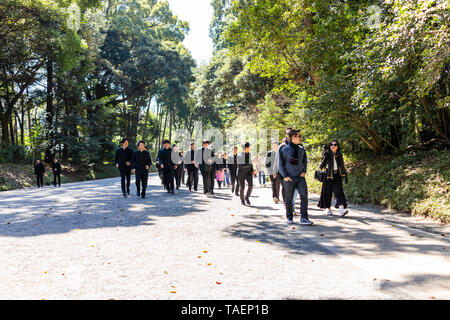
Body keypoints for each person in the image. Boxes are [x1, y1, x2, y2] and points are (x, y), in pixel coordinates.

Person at [278, 129, 313, 225]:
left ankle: (304, 218)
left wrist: (304, 171)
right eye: (299, 136)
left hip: (300, 177)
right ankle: (289, 218)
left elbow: (305, 161)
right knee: (288, 199)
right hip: (289, 178)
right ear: (293, 137)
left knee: (304, 196)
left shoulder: (301, 149)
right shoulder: (284, 149)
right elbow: (280, 164)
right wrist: (285, 176)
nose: (300, 138)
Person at [317, 140, 349, 216]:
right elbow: (322, 165)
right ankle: (328, 208)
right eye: (331, 144)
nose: (333, 146)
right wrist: (325, 153)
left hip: (337, 175)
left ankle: (342, 210)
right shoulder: (327, 154)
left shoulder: (339, 155)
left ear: (337, 146)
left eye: (335, 144)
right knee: (327, 192)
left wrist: (344, 175)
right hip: (328, 175)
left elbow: (342, 166)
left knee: (339, 192)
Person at [237, 142, 255, 206]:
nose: (250, 148)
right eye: (249, 147)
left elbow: (251, 163)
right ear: (246, 148)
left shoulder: (249, 154)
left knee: (251, 185)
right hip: (241, 173)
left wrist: (252, 170)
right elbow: (241, 165)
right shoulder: (239, 155)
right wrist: (249, 165)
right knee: (242, 187)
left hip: (248, 173)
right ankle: (242, 200)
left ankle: (247, 197)